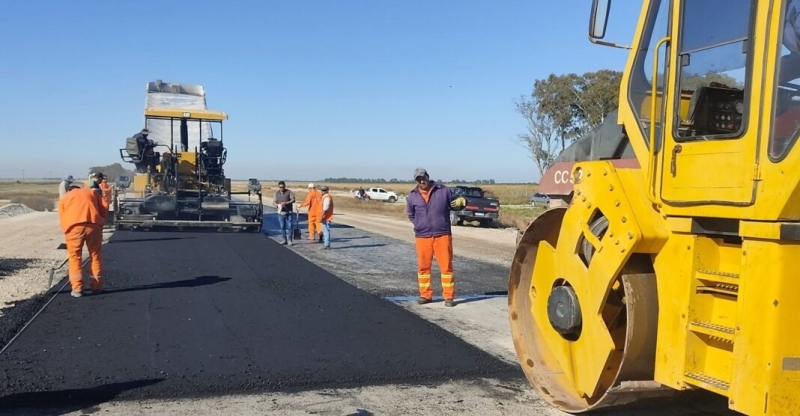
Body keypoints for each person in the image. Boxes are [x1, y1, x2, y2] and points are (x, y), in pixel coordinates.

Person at [405, 168, 466, 307]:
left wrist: (463, 201)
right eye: (418, 179)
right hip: (422, 236)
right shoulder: (412, 196)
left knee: (446, 267)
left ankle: (449, 297)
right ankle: (426, 295)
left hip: (442, 235)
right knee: (423, 268)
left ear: (427, 176)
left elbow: (456, 203)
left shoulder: (443, 190)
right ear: (416, 181)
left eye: (423, 177)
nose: (422, 181)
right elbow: (411, 214)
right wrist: (419, 225)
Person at [58, 181, 109, 297]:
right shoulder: (91, 193)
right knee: (95, 255)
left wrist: (67, 230)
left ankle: (77, 289)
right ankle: (96, 287)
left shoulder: (66, 197)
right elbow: (104, 207)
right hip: (94, 226)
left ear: (69, 189)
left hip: (74, 228)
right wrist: (101, 221)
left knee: (75, 257)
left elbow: (62, 216)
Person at [274, 181, 296, 245]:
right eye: (280, 187)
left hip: (289, 212)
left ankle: (289, 240)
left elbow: (293, 199)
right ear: (278, 187)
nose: (282, 188)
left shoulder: (289, 192)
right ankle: (284, 239)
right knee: (282, 226)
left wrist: (286, 203)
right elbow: (273, 202)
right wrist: (277, 205)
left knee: (290, 226)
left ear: (285, 186)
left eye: (283, 187)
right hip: (281, 213)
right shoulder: (276, 193)